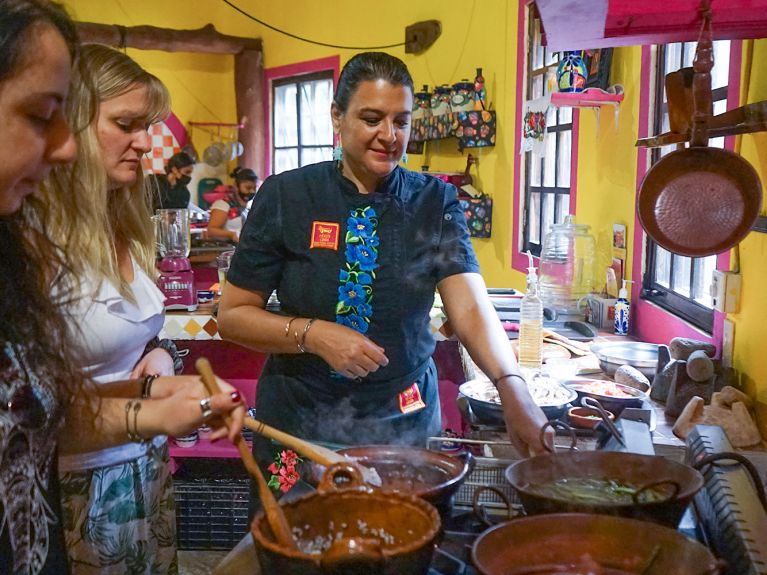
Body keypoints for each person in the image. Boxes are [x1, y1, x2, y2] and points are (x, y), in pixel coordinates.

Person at [217, 52, 550, 503]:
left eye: (402, 121)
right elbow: (233, 316)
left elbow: (469, 306)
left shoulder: (435, 201)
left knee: (401, 541)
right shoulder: (287, 196)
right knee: (297, 549)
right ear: (337, 116)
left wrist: (512, 387)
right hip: (299, 423)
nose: (389, 136)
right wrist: (315, 336)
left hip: (403, 423)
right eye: (371, 118)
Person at [1, 3, 245, 573]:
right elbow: (34, 415)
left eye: (148, 127)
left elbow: (115, 357)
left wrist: (162, 368)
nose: (143, 143)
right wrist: (151, 412)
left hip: (140, 470)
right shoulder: (30, 239)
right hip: (72, 483)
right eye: (126, 125)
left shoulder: (127, 223)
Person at [206, 166, 258, 243]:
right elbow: (211, 231)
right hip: (225, 249)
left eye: (254, 188)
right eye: (248, 188)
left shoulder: (249, 207)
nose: (252, 192)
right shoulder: (223, 205)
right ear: (236, 187)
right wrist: (232, 234)